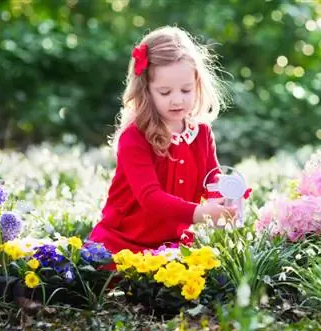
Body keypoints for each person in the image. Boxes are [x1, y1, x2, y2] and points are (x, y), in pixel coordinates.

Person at [89, 26, 235, 255]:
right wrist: (202, 213)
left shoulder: (201, 133)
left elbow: (211, 180)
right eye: (165, 92)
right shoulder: (135, 137)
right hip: (121, 244)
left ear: (197, 84)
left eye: (186, 90)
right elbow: (151, 198)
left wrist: (227, 198)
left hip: (170, 245)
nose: (177, 100)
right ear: (145, 91)